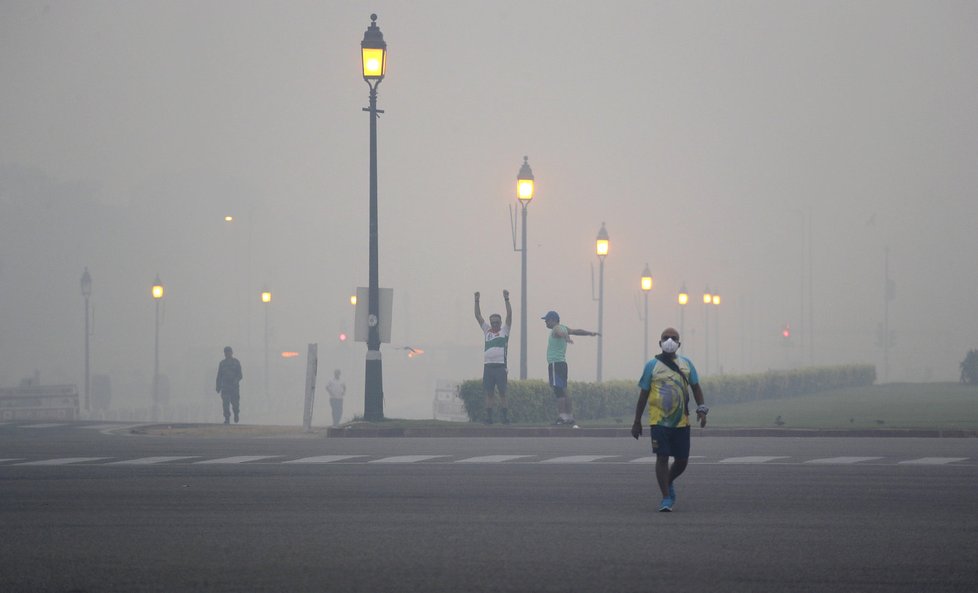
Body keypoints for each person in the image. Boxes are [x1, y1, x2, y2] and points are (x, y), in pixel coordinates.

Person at [631, 328, 709, 512]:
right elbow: (643, 395)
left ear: (679, 344)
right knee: (662, 457)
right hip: (658, 421)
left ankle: (668, 480)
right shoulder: (652, 365)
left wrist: (702, 409)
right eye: (666, 338)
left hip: (682, 421)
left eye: (674, 338)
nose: (669, 341)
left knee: (682, 460)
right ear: (660, 343)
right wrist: (636, 421)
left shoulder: (686, 364)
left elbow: (696, 388)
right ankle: (666, 497)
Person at [541, 310, 598, 428]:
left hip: (555, 364)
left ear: (554, 320)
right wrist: (589, 333)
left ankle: (562, 417)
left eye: (547, 320)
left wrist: (566, 338)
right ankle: (569, 417)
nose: (545, 322)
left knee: (558, 391)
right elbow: (576, 331)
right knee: (564, 390)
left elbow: (561, 333)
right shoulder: (563, 327)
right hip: (562, 364)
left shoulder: (556, 328)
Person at [474, 290, 513, 424]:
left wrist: (506, 299)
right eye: (493, 322)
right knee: (489, 393)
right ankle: (489, 417)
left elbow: (509, 315)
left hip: (500, 367)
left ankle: (505, 417)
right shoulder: (487, 331)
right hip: (488, 367)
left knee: (502, 393)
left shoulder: (504, 331)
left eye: (497, 322)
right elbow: (478, 316)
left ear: (500, 322)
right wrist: (477, 300)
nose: (495, 324)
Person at [215, 346, 243, 425]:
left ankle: (236, 414)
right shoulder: (222, 364)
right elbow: (219, 376)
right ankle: (227, 418)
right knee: (225, 404)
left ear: (231, 352)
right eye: (226, 352)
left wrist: (235, 380)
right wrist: (218, 386)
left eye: (229, 352)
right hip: (225, 387)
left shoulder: (236, 362)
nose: (227, 353)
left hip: (234, 388)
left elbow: (240, 375)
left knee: (235, 404)